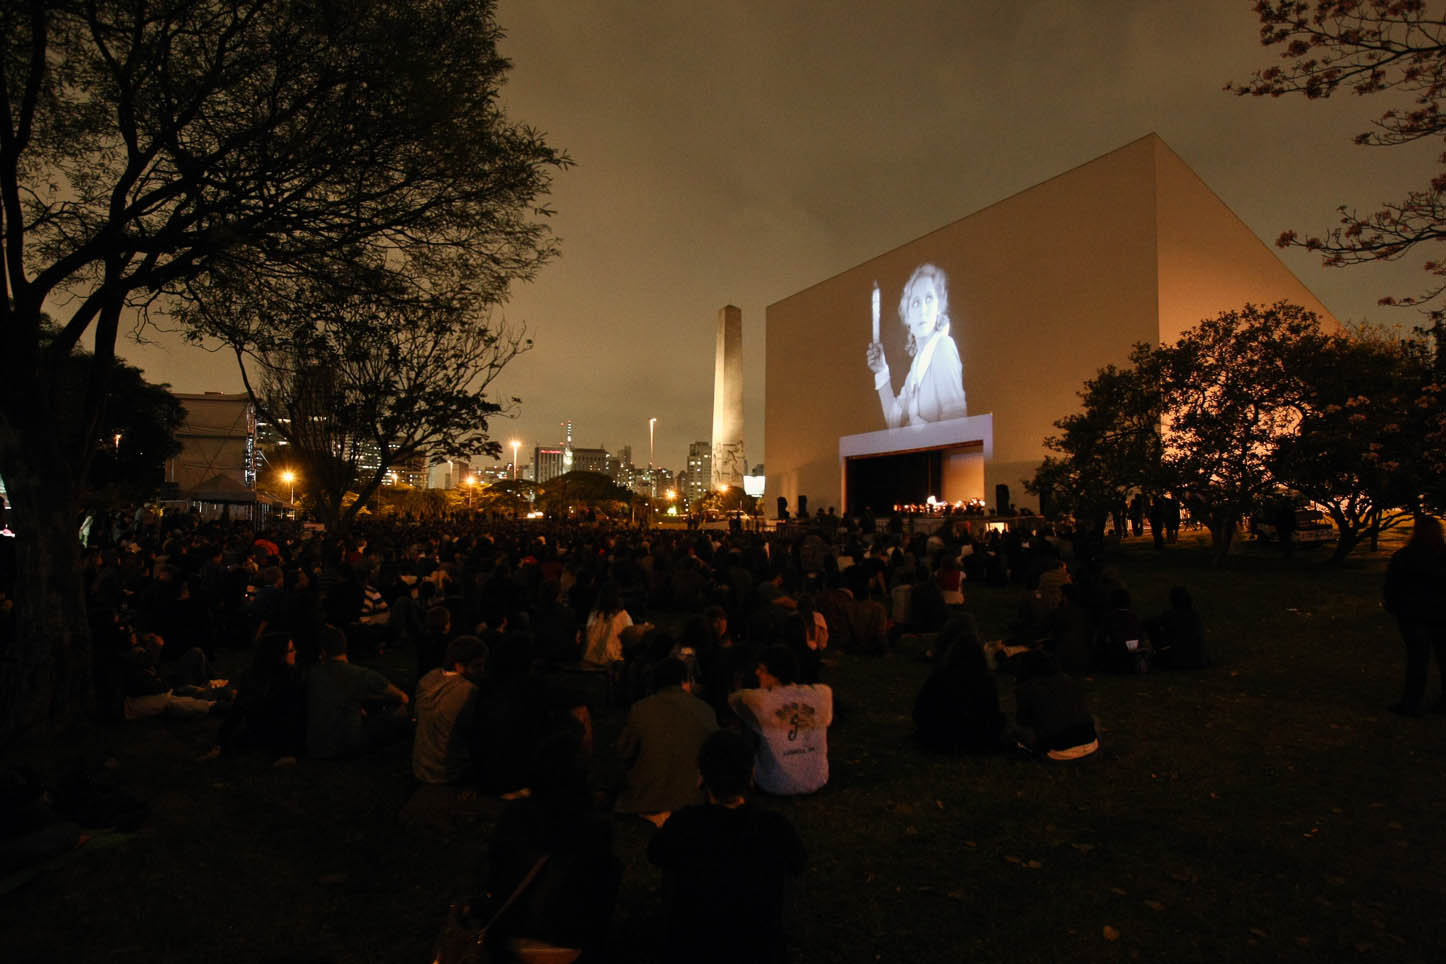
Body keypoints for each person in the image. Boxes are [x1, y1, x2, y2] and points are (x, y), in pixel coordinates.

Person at [647, 730, 807, 964]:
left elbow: (656, 855)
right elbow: (797, 863)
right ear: (750, 775)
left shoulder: (684, 825)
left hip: (693, 947)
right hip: (759, 948)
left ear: (702, 776)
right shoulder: (774, 827)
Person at [614, 658, 718, 825]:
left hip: (645, 800)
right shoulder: (705, 711)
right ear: (685, 681)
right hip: (691, 799)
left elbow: (625, 752)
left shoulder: (640, 709)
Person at [865, 262, 967, 428]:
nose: (923, 309)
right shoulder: (916, 368)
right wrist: (881, 371)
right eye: (915, 303)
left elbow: (956, 428)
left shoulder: (943, 348)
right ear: (908, 318)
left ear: (938, 309)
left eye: (929, 299)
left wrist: (917, 432)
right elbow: (893, 420)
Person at [729, 645, 833, 795]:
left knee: (746, 722)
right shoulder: (822, 693)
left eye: (762, 670)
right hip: (819, 778)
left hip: (775, 784)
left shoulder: (760, 700)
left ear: (776, 674)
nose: (757, 673)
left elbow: (734, 700)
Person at [305, 624, 409, 759]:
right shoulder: (361, 675)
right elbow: (403, 697)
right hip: (348, 746)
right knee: (399, 710)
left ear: (323, 652)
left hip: (316, 746)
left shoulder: (312, 673)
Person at [1382, 515, 1446, 716]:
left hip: (1413, 615)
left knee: (1417, 661)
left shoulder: (1405, 557)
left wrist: (1394, 606)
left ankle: (1411, 703)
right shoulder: (1441, 556)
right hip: (1439, 614)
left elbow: (1392, 585)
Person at [913, 615, 1006, 753]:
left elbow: (920, 710)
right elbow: (993, 716)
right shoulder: (985, 681)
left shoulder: (940, 676)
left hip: (941, 739)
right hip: (975, 739)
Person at [412, 635, 488, 785]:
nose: (482, 671)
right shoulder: (468, 691)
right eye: (477, 666)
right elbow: (475, 734)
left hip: (420, 766)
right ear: (458, 665)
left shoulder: (428, 678)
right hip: (449, 771)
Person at [1013, 650, 1099, 760]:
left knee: (1017, 730)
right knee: (1095, 719)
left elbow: (1022, 723)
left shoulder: (1026, 688)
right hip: (1091, 744)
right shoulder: (1068, 680)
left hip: (1059, 750)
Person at [580, 582, 631, 667]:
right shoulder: (624, 615)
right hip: (614, 660)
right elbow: (630, 635)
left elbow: (588, 634)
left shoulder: (595, 614)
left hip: (590, 658)